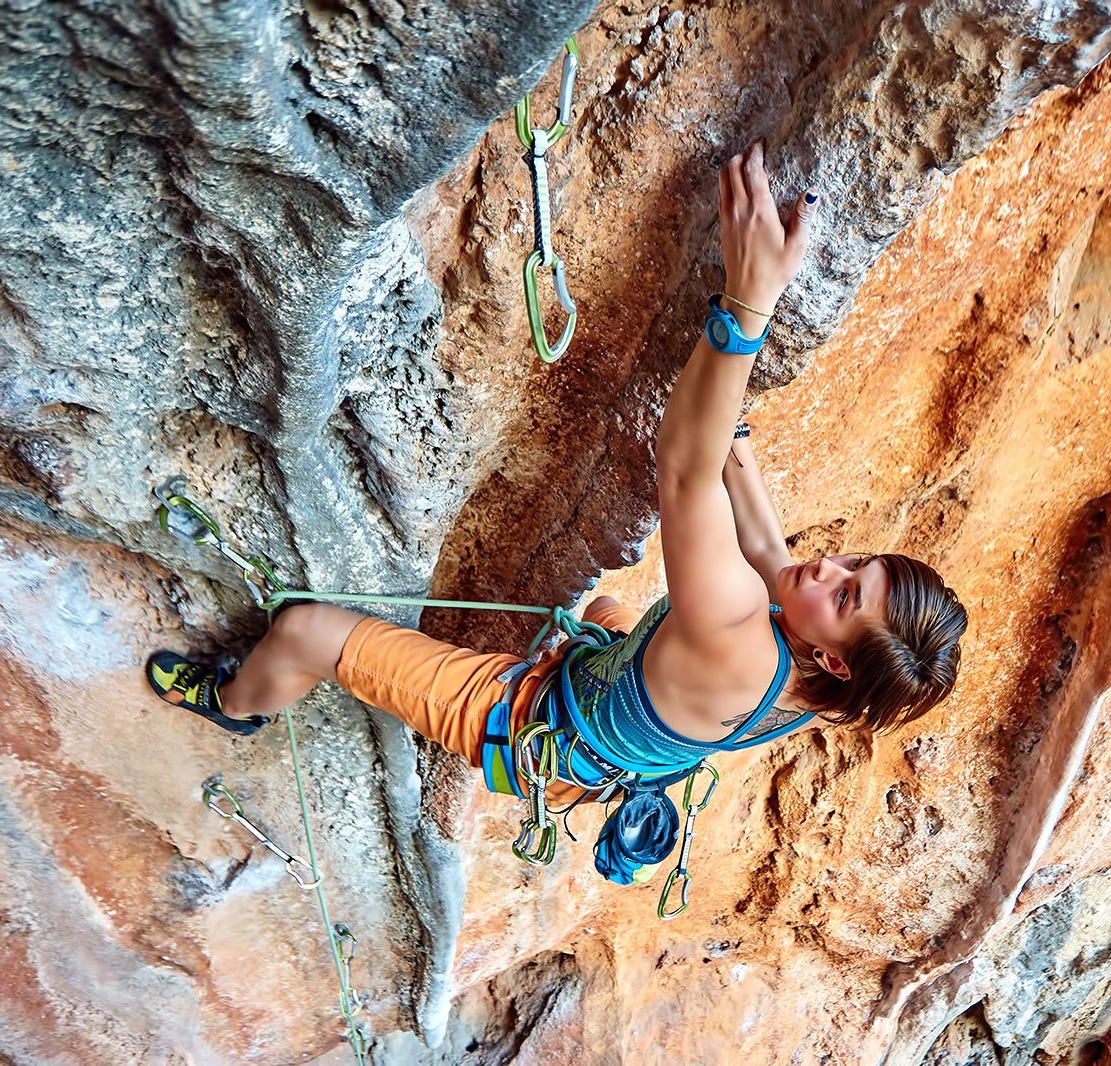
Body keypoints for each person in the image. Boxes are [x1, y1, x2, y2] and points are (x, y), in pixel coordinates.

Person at [147, 142, 967, 878]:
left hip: (520, 721)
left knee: (304, 633)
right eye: (861, 563)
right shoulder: (824, 683)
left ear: (829, 657)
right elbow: (759, 538)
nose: (832, 567)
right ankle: (602, 666)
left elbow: (683, 469)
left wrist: (747, 309)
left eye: (847, 596)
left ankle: (233, 705)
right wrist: (734, 431)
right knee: (613, 607)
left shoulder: (743, 640)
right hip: (613, 711)